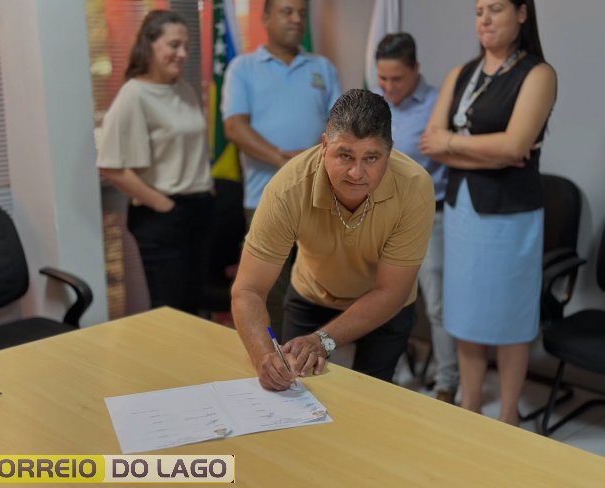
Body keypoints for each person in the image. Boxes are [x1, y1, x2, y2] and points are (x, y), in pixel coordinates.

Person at [231, 89, 435, 391]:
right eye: (345, 155)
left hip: (384, 304)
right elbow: (248, 289)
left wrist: (323, 340)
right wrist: (263, 357)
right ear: (324, 145)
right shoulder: (288, 188)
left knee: (371, 398)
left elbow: (391, 291)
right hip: (312, 293)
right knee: (294, 389)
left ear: (389, 153)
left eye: (372, 158)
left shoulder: (414, 188)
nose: (356, 172)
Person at [419, 0, 556, 425]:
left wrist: (454, 144)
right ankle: (470, 408)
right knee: (466, 314)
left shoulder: (537, 74)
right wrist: (490, 153)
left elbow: (515, 147)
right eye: (479, 11)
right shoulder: (461, 74)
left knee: (510, 319)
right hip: (462, 211)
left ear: (521, 13)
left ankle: (509, 417)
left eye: (495, 9)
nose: (485, 19)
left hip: (510, 217)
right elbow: (429, 142)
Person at [222, 0, 341, 336]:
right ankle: (274, 357)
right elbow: (234, 127)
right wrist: (284, 160)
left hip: (318, 199)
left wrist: (312, 161)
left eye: (301, 13)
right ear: (265, 18)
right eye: (287, 12)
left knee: (315, 288)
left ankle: (309, 355)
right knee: (269, 291)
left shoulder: (322, 68)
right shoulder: (243, 68)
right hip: (264, 199)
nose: (296, 19)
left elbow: (340, 125)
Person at [96, 10, 214, 315]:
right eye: (174, 45)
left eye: (186, 46)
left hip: (199, 208)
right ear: (149, 44)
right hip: (162, 215)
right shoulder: (133, 95)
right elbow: (110, 166)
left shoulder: (184, 89)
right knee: (171, 312)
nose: (183, 53)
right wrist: (165, 206)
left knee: (195, 307)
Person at [375, 33, 459, 403]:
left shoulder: (439, 104)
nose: (389, 86)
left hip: (430, 218)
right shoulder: (376, 103)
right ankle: (386, 374)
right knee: (385, 300)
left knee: (438, 305)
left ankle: (446, 382)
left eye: (397, 78)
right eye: (382, 78)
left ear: (415, 70)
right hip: (385, 216)